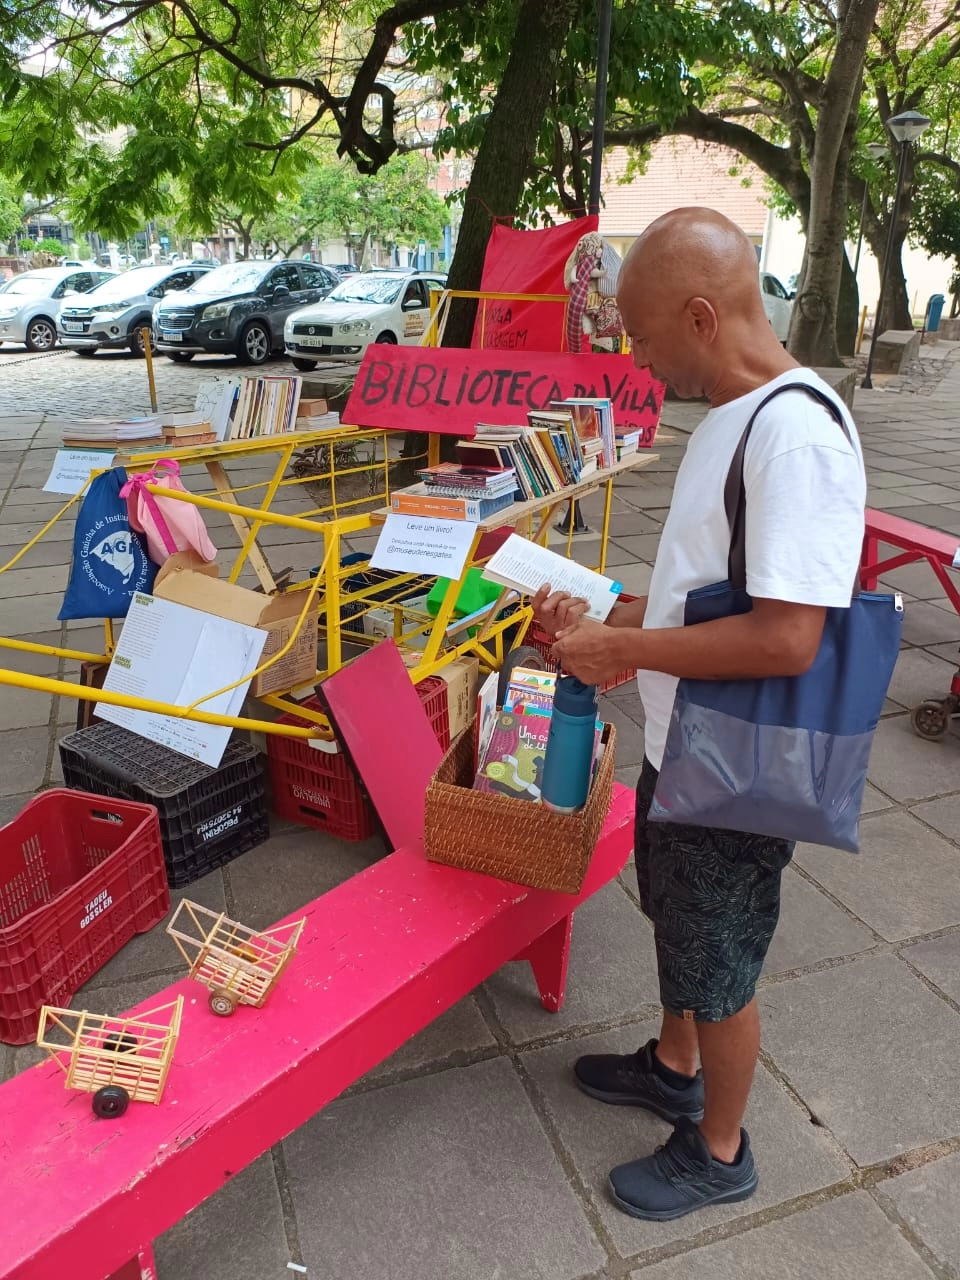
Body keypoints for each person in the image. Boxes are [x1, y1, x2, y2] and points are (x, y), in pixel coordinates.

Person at [531, 207, 865, 1223]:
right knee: (678, 915)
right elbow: (719, 589)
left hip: (739, 767)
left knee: (720, 958)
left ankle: (720, 1145)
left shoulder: (795, 435)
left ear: (705, 314)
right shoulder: (734, 408)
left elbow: (786, 638)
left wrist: (624, 650)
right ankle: (675, 1064)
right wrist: (624, 613)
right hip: (695, 744)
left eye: (641, 334)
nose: (635, 358)